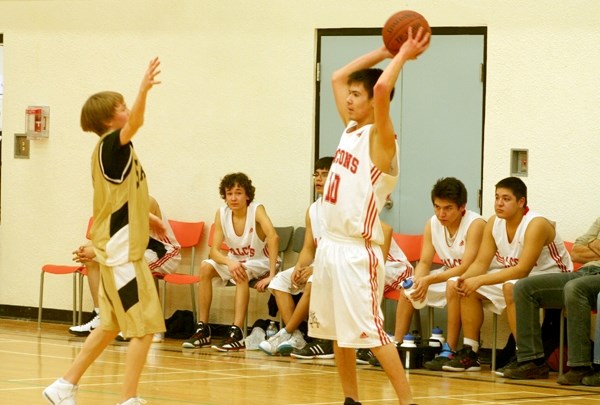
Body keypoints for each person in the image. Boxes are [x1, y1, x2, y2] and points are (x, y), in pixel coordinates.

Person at [308, 27, 429, 405]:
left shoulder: (382, 137)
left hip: (358, 253)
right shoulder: (351, 129)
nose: (347, 98)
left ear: (374, 103)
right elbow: (336, 76)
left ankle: (408, 402)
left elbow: (379, 91)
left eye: (355, 96)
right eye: (350, 95)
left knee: (372, 334)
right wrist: (382, 49)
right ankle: (351, 399)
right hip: (330, 247)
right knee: (337, 333)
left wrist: (402, 55)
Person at [43, 57, 163, 405]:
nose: (129, 110)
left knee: (109, 324)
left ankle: (64, 385)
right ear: (110, 119)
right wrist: (143, 89)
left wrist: (149, 217)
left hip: (115, 248)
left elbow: (120, 198)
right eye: (123, 106)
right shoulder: (113, 144)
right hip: (123, 254)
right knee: (144, 328)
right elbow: (137, 121)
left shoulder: (115, 152)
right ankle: (129, 399)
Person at [443, 176, 573, 374]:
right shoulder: (494, 222)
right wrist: (466, 279)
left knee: (513, 287)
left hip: (557, 278)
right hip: (523, 277)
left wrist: (480, 279)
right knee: (468, 287)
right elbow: (481, 263)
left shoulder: (536, 224)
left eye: (506, 198)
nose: (499, 203)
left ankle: (527, 358)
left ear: (521, 202)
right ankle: (471, 352)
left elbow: (522, 270)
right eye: (496, 197)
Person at [393, 177, 486, 371]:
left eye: (448, 208)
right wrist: (418, 280)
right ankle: (397, 346)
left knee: (453, 283)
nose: (441, 213)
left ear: (462, 207)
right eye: (437, 207)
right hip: (448, 274)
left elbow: (466, 266)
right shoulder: (432, 224)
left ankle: (449, 348)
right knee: (407, 289)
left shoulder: (475, 224)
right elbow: (425, 262)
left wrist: (429, 279)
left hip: (475, 276)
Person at [182, 172, 280, 351]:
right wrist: (228, 261)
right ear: (225, 196)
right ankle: (203, 328)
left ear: (247, 195)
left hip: (261, 261)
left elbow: (273, 237)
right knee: (205, 267)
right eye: (229, 194)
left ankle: (237, 331)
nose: (233, 198)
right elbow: (214, 251)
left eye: (238, 193)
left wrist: (272, 275)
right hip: (236, 261)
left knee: (240, 271)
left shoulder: (257, 209)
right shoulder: (222, 214)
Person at [69, 196, 181, 343]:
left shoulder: (146, 200)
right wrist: (85, 249)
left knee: (131, 265)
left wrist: (96, 251)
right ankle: (101, 316)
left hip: (163, 251)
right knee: (91, 260)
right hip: (136, 251)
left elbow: (132, 239)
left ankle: (152, 328)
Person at [507, 217, 600, 382]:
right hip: (584, 272)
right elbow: (576, 252)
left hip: (592, 280)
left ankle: (580, 366)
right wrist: (590, 247)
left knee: (575, 287)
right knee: (524, 288)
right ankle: (533, 361)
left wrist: (592, 245)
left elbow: (583, 248)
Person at [258, 156, 333, 356]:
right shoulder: (313, 209)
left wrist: (315, 269)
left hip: (342, 263)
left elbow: (343, 249)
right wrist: (300, 266)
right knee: (279, 281)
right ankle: (297, 337)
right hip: (322, 262)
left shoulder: (343, 207)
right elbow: (309, 246)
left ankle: (286, 331)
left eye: (325, 174)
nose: (318, 178)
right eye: (316, 174)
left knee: (312, 280)